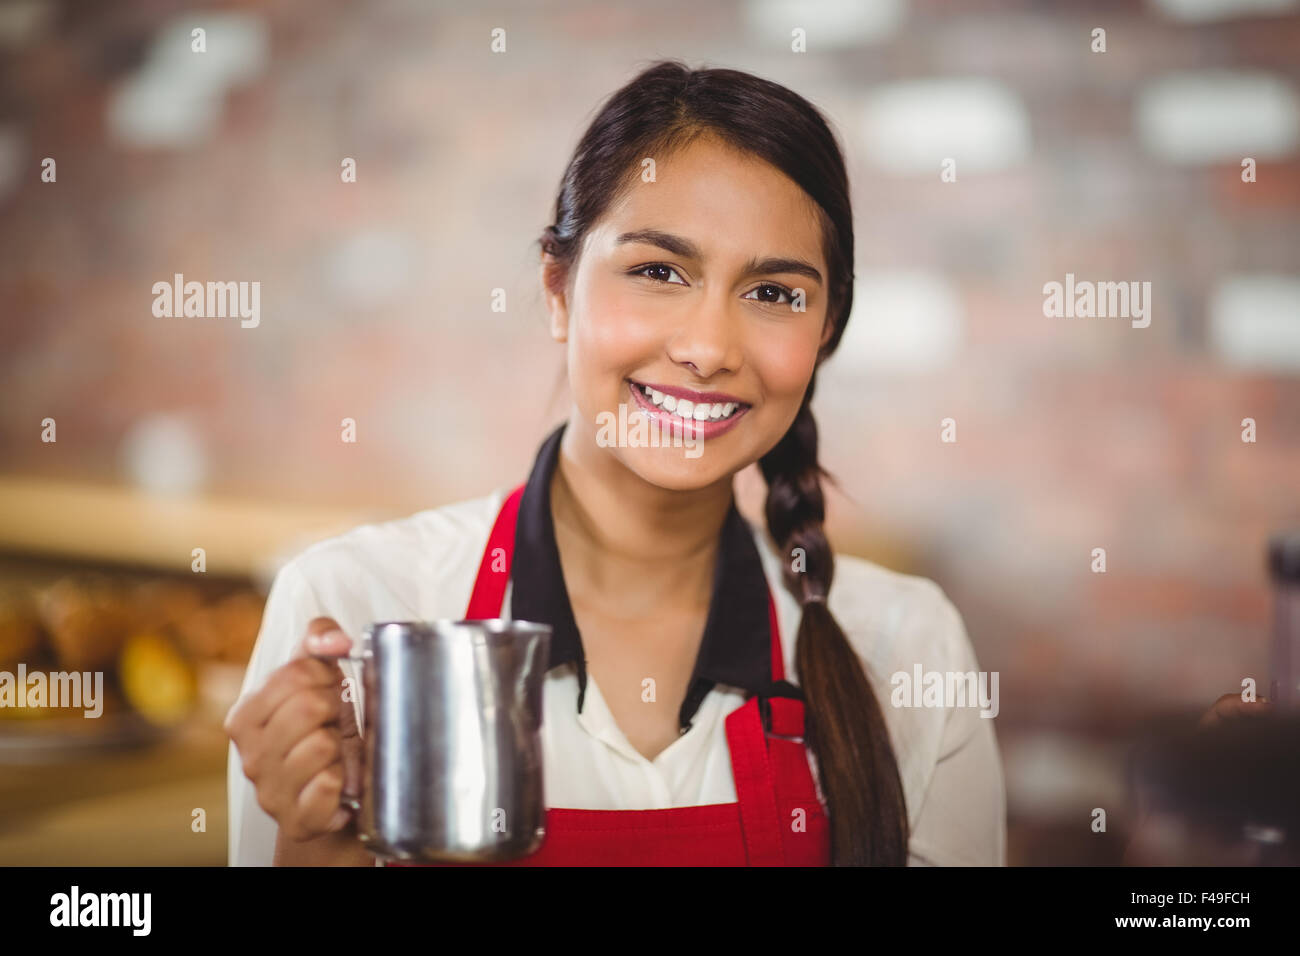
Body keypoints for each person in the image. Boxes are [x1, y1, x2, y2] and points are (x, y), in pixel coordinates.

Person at [225, 59, 1007, 867]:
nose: (707, 349)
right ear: (558, 289)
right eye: (657, 271)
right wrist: (315, 849)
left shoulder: (910, 648)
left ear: (827, 331)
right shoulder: (357, 612)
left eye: (773, 293)